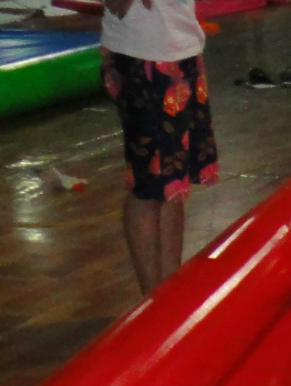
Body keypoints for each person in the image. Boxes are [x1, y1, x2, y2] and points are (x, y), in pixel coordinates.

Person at [100, 0, 218, 295]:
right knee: (148, 186)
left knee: (174, 181)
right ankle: (152, 302)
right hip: (144, 56)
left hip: (181, 48)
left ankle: (169, 296)